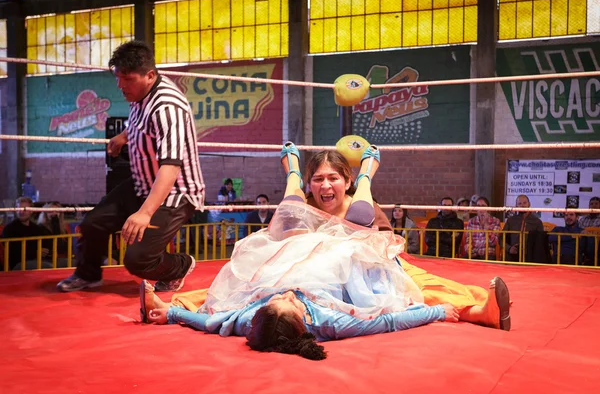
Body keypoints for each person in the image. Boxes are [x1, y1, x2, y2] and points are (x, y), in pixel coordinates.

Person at [140, 143, 510, 360]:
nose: (325, 185)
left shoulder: (363, 208)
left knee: (422, 287)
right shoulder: (304, 212)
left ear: (346, 182)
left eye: (333, 178)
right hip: (309, 278)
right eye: (317, 179)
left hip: (365, 269)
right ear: (311, 185)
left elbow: (381, 249)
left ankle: (480, 311)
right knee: (249, 285)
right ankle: (168, 307)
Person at [57, 40, 205, 292]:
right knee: (93, 223)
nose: (120, 85)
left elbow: (170, 167)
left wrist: (145, 213)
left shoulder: (168, 107)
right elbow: (142, 123)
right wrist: (124, 136)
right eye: (118, 77)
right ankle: (89, 274)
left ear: (149, 75)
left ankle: (179, 265)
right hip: (142, 183)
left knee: (138, 260)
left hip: (174, 193)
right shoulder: (140, 92)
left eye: (126, 78)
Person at [2, 197, 52, 270]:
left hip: (39, 260)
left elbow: (46, 244)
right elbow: (14, 252)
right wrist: (36, 252)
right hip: (18, 264)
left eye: (25, 209)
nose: (21, 212)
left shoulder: (37, 228)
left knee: (69, 263)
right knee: (49, 266)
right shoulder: (9, 229)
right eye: (19, 209)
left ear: (31, 211)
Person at [502, 195, 544, 262]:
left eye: (524, 203)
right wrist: (509, 248)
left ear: (529, 204)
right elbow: (501, 238)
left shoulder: (537, 222)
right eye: (519, 203)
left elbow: (541, 242)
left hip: (531, 256)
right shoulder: (511, 220)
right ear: (516, 206)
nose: (522, 205)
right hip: (513, 255)